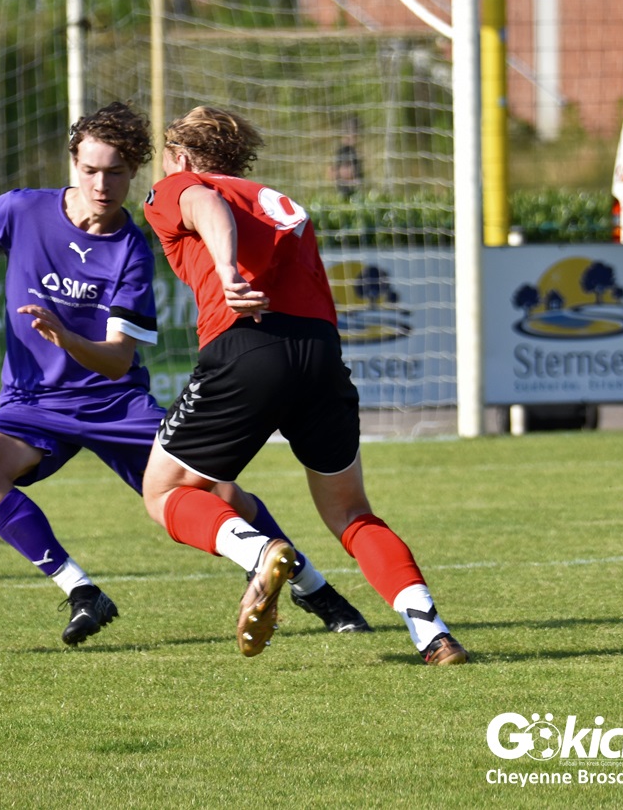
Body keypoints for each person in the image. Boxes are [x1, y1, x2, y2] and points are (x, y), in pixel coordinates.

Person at [0, 102, 370, 648]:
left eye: (116, 172)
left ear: (134, 173)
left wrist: (65, 337)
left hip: (114, 403)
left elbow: (117, 360)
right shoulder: (23, 210)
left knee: (221, 493)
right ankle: (82, 592)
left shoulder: (130, 252)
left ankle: (314, 589)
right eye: (90, 170)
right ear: (73, 164)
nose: (101, 185)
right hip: (32, 402)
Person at [142, 106, 468, 664]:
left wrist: (227, 271)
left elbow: (203, 204)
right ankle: (433, 633)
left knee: (164, 492)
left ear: (182, 157)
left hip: (247, 343)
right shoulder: (277, 201)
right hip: (320, 355)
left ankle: (259, 552)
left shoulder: (178, 186)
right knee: (351, 513)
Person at [331, 115, 364, 199]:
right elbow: (335, 171)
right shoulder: (344, 151)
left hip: (353, 190)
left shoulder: (353, 150)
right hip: (346, 191)